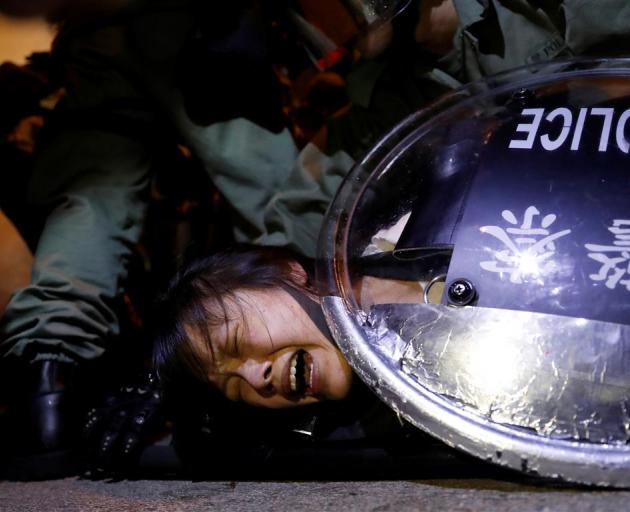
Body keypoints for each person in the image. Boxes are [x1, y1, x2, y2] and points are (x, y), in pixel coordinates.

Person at [3, 0, 630, 480]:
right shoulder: (389, 98)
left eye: (236, 346)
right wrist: (183, 363)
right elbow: (310, 216)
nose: (257, 373)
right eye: (235, 378)